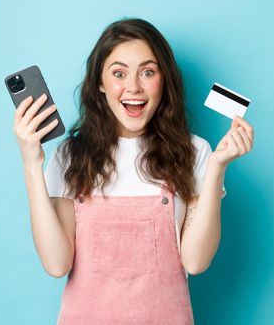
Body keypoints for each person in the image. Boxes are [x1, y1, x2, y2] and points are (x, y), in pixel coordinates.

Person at [13, 18, 254, 324]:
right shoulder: (71, 155)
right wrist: (31, 163)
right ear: (100, 83)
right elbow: (56, 264)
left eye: (148, 72)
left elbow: (196, 261)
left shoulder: (195, 152)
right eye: (118, 73)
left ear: (163, 80)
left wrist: (217, 168)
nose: (133, 87)